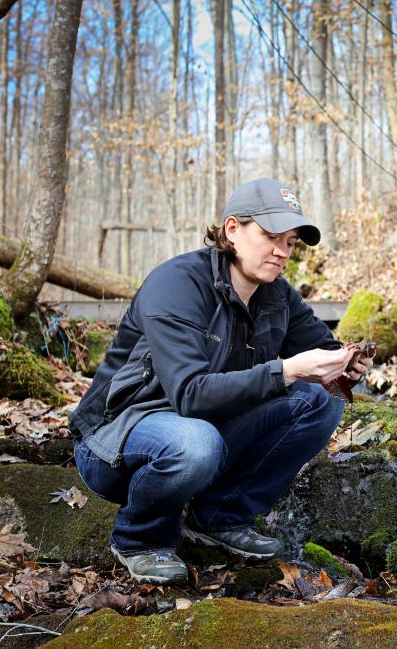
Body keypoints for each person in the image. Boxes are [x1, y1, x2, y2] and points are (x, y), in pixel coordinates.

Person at [69, 178, 371, 585]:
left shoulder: (277, 294)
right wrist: (287, 369)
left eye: (291, 242)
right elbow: (191, 395)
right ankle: (139, 540)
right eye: (269, 236)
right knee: (196, 443)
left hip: (204, 425)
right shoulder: (176, 284)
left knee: (321, 399)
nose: (282, 252)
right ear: (233, 230)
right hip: (118, 435)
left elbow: (324, 348)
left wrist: (347, 363)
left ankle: (220, 518)